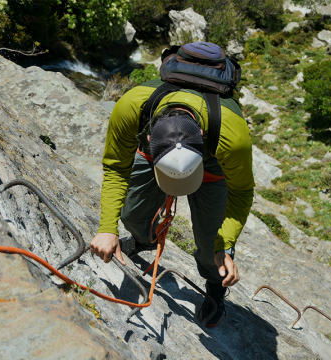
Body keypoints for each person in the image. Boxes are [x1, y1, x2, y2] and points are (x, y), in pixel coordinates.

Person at [90, 42, 254, 327]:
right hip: (155, 148)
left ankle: (215, 284)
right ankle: (144, 239)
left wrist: (223, 246)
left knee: (210, 243)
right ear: (151, 139)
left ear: (201, 134)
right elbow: (117, 167)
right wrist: (107, 227)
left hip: (212, 163)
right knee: (131, 213)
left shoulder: (231, 134)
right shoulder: (132, 107)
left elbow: (241, 192)